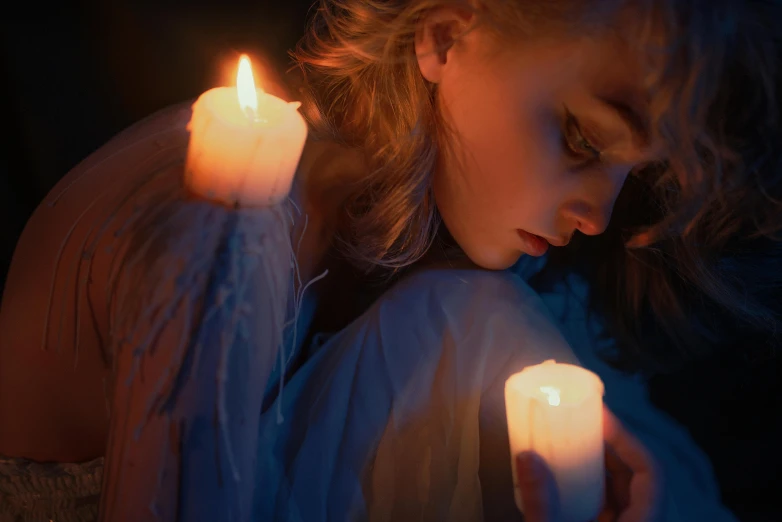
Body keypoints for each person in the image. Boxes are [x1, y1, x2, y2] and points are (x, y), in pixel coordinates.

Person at [1, 0, 780, 520]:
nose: (598, 215)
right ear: (444, 37)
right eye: (580, 137)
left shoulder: (396, 217)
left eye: (632, 174)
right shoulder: (225, 228)